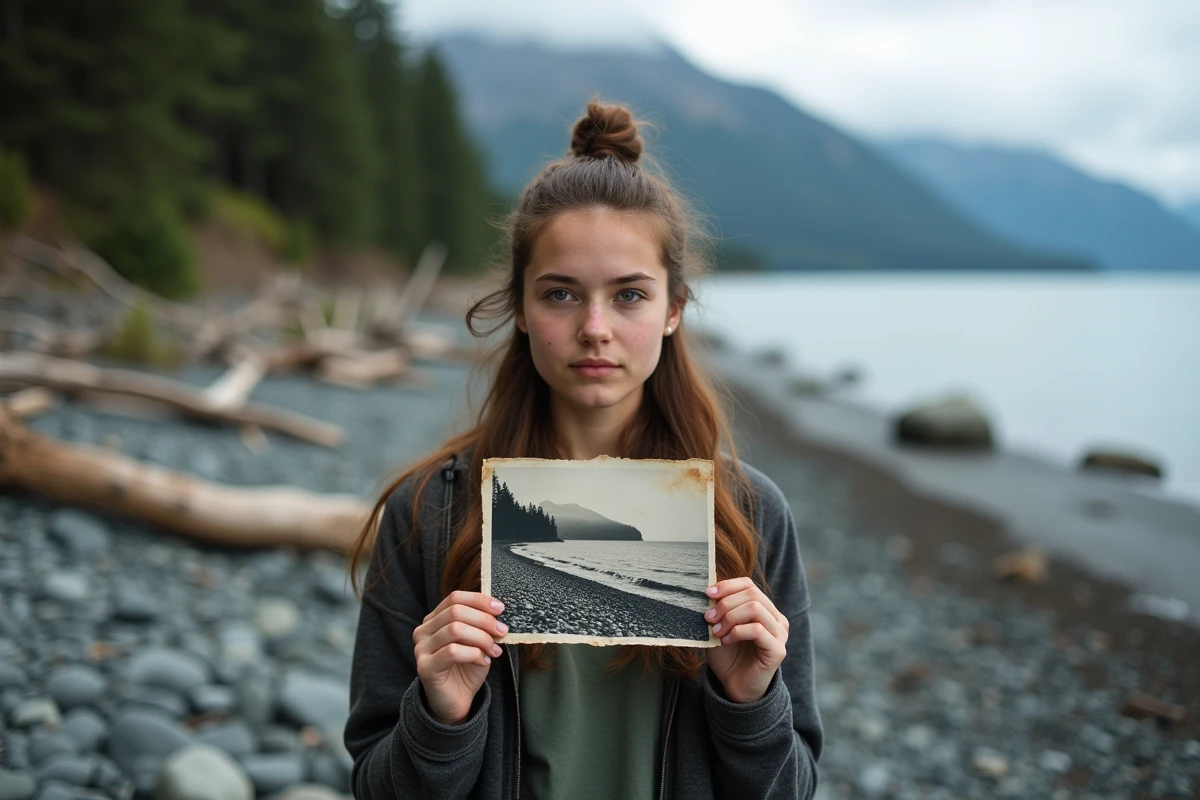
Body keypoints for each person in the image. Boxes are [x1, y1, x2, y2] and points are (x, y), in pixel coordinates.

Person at [343, 99, 823, 800]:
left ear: (674, 309)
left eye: (629, 296)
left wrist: (750, 702)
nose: (595, 328)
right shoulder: (430, 512)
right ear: (520, 306)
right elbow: (375, 785)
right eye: (562, 294)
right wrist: (441, 717)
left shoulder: (749, 514)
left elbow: (794, 788)